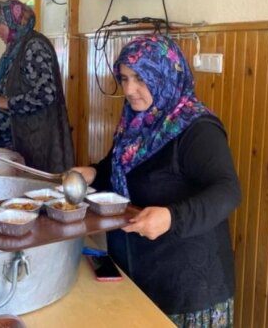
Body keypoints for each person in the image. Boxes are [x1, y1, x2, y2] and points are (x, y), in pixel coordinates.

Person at [70, 35, 241, 327]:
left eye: (140, 78)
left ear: (164, 74)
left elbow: (227, 192)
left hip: (188, 287)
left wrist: (172, 218)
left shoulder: (197, 129)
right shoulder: (137, 123)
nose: (129, 90)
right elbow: (118, 169)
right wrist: (93, 173)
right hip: (139, 271)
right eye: (124, 79)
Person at [0, 0, 74, 173]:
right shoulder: (13, 49)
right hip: (15, 141)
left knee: (36, 194)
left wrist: (3, 102)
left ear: (14, 21)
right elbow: (5, 95)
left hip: (37, 142)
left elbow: (46, 93)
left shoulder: (34, 46)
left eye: (0, 25)